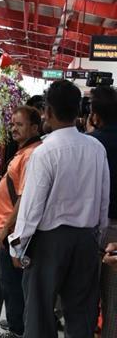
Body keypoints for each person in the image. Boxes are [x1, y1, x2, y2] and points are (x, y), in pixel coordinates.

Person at [8, 80, 110, 338]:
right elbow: (103, 199)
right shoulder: (96, 148)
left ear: (48, 112)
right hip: (86, 239)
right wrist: (96, 237)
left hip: (48, 243)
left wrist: (18, 245)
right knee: (82, 314)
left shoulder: (45, 152)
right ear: (78, 111)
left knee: (40, 314)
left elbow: (32, 206)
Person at [0, 106, 42, 338]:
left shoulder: (31, 154)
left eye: (19, 125)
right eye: (12, 124)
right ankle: (15, 321)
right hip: (9, 229)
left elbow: (24, 197)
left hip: (13, 232)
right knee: (11, 282)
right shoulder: (25, 151)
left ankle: (18, 329)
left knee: (13, 283)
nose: (14, 129)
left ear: (34, 127)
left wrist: (6, 229)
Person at [87, 85, 117, 338]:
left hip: (93, 228)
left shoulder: (92, 144)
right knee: (112, 298)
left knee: (84, 292)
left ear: (94, 114)